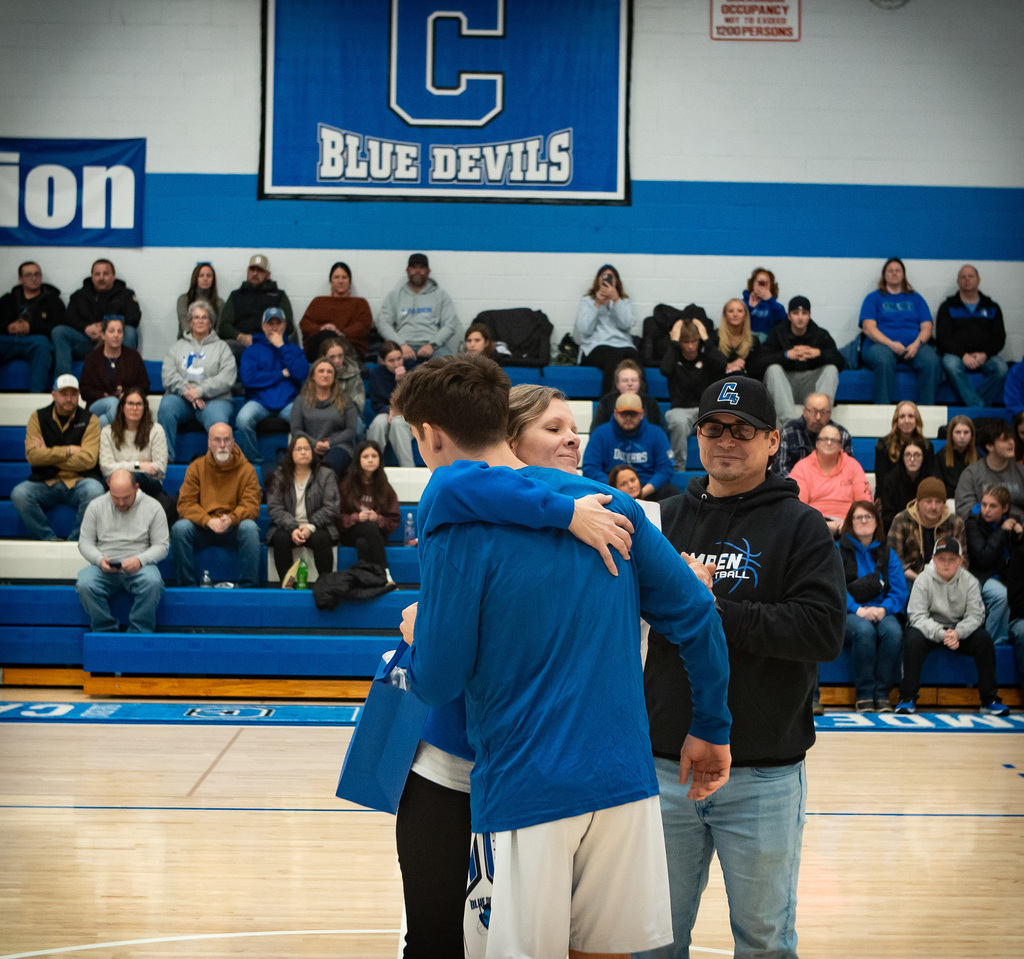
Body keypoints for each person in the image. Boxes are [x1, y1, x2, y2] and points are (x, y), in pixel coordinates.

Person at [392, 357, 731, 959]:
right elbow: (699, 614)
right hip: (622, 784)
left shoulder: (456, 518)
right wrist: (710, 727)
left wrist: (419, 644)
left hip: (528, 790)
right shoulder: (612, 507)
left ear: (431, 434)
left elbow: (440, 680)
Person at [640, 375, 845, 959]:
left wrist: (711, 610)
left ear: (773, 441)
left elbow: (822, 630)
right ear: (696, 435)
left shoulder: (801, 527)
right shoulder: (663, 521)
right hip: (662, 767)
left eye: (743, 430)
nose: (726, 441)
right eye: (713, 428)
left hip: (762, 774)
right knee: (652, 941)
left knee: (763, 941)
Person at [895, 537, 1008, 716]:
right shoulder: (923, 580)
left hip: (958, 631)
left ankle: (989, 699)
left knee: (984, 640)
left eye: (952, 559)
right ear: (933, 559)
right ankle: (907, 698)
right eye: (941, 559)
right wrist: (942, 633)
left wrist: (958, 632)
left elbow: (976, 615)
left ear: (960, 561)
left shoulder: (969, 581)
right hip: (931, 630)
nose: (946, 564)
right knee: (912, 638)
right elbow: (917, 616)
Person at [12, 374, 105, 541]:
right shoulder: (37, 417)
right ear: (53, 394)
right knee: (19, 494)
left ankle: (76, 541)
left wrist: (47, 454)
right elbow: (33, 457)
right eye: (64, 394)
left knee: (95, 491)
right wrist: (69, 450)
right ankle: (48, 539)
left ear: (79, 395)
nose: (69, 399)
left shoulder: (90, 420)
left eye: (73, 394)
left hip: (79, 480)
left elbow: (88, 460)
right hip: (46, 481)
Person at [75, 469, 169, 633]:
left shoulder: (153, 507)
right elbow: (84, 543)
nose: (120, 503)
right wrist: (99, 559)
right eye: (115, 497)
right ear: (108, 486)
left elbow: (162, 546)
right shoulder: (96, 505)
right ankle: (104, 629)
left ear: (136, 488)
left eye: (126, 498)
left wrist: (140, 560)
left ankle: (140, 631)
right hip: (104, 565)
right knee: (84, 583)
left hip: (140, 566)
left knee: (153, 582)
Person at [170, 423, 262, 587]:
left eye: (226, 440)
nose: (222, 445)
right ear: (209, 443)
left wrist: (232, 518)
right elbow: (185, 504)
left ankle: (249, 587)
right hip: (203, 527)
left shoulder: (247, 470)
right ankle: (186, 586)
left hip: (234, 527)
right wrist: (207, 520)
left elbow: (251, 505)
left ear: (233, 442)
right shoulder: (196, 468)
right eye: (217, 440)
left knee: (250, 528)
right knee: (180, 528)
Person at [838, 500, 908, 712]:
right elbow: (834, 588)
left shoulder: (888, 553)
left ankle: (882, 693)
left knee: (893, 631)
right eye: (858, 517)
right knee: (864, 631)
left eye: (869, 517)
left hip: (881, 610)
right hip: (850, 611)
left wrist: (884, 609)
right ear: (850, 522)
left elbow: (899, 591)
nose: (864, 521)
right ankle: (865, 694)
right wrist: (857, 609)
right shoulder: (838, 550)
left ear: (877, 522)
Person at [158, 300, 237, 462]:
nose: (200, 321)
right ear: (190, 322)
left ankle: (219, 465)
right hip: (182, 398)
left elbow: (227, 377)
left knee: (218, 422)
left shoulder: (222, 347)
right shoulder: (178, 346)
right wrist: (187, 391)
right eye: (196, 317)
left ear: (210, 322)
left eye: (204, 317)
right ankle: (165, 462)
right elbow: (168, 374)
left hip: (215, 399)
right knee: (166, 408)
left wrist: (200, 391)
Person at [858, 257, 940, 405]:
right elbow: (869, 328)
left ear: (903, 274)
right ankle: (883, 410)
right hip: (880, 346)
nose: (894, 273)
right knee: (884, 360)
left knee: (932, 361)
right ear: (884, 275)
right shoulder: (873, 298)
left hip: (914, 346)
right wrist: (891, 344)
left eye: (898, 270)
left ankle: (925, 412)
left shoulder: (916, 298)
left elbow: (927, 327)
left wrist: (916, 344)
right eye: (890, 271)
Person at [236, 307, 309, 465]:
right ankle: (253, 462)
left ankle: (294, 462)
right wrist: (281, 374)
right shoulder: (252, 350)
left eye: (278, 323)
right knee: (242, 420)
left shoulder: (294, 350)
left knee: (305, 419)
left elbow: (301, 373)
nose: (274, 327)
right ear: (263, 326)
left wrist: (282, 347)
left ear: (284, 326)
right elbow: (248, 379)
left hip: (288, 402)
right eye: (270, 323)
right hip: (259, 402)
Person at [265, 433, 340, 584]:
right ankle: (287, 585)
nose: (304, 452)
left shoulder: (326, 474)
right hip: (287, 526)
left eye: (307, 448)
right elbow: (274, 508)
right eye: (299, 449)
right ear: (291, 454)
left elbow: (331, 506)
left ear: (313, 453)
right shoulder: (279, 476)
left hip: (316, 525)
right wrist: (293, 527)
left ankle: (326, 585)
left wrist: (310, 526)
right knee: (280, 538)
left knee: (322, 538)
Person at [761, 295, 845, 427]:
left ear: (809, 315)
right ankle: (789, 426)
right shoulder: (778, 333)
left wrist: (819, 353)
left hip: (809, 386)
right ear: (789, 316)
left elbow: (840, 362)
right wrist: (786, 355)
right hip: (785, 386)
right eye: (795, 313)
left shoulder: (820, 334)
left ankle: (820, 418)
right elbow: (758, 363)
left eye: (804, 313)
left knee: (831, 369)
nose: (800, 317)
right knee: (773, 370)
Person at [581, 392, 678, 501]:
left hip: (648, 490)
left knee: (671, 492)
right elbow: (591, 469)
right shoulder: (600, 434)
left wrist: (642, 492)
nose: (628, 418)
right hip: (612, 491)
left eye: (633, 414)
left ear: (642, 414)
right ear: (615, 413)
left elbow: (665, 469)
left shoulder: (657, 434)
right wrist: (615, 488)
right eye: (623, 414)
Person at [935, 264, 1007, 407]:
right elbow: (943, 339)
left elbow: (999, 338)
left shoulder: (992, 307)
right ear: (958, 282)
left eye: (970, 276)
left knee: (1002, 368)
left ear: (978, 280)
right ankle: (979, 409)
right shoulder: (948, 307)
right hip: (956, 356)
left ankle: (976, 407)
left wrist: (984, 354)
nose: (967, 280)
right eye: (963, 277)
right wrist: (963, 355)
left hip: (985, 356)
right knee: (950, 364)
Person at [659, 317, 726, 467]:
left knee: (721, 420)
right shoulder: (674, 357)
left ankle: (717, 468)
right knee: (679, 422)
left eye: (694, 341)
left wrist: (707, 340)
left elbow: (722, 363)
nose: (690, 346)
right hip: (679, 411)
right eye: (685, 342)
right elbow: (665, 369)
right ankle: (678, 468)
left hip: (704, 411)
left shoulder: (706, 357)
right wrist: (674, 342)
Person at [55, 259, 141, 373]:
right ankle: (64, 383)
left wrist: (107, 327)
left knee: (130, 332)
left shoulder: (126, 294)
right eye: (97, 274)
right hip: (87, 342)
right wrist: (85, 328)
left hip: (114, 343)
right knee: (59, 331)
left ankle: (123, 380)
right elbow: (68, 318)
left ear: (113, 276)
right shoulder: (79, 295)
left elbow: (134, 318)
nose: (101, 278)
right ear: (92, 276)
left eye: (105, 274)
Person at [789, 423, 873, 537]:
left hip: (848, 527)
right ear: (817, 443)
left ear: (841, 446)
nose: (829, 443)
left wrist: (848, 524)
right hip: (813, 528)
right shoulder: (801, 468)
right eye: (824, 439)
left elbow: (865, 504)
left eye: (834, 440)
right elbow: (797, 508)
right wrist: (825, 526)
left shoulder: (853, 466)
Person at [965, 485, 1021, 647]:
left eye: (992, 506)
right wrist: (1002, 533)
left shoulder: (1011, 523)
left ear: (1005, 508)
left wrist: (1019, 539)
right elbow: (983, 558)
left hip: (1004, 577)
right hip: (980, 576)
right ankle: (992, 644)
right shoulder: (972, 523)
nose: (986, 510)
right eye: (984, 504)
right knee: (1001, 595)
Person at [376, 253, 460, 362]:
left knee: (449, 363)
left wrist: (432, 345)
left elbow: (450, 324)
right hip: (402, 345)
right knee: (384, 362)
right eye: (413, 267)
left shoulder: (441, 295)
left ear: (428, 271)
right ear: (407, 270)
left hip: (433, 347)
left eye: (422, 267)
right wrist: (400, 345)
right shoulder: (394, 296)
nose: (417, 271)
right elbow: (383, 323)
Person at [574, 263, 640, 395]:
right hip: (595, 346)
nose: (607, 280)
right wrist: (597, 304)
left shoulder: (623, 301)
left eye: (612, 278)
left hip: (623, 345)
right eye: (604, 277)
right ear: (598, 280)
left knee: (636, 357)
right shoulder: (587, 301)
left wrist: (616, 300)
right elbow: (584, 329)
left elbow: (626, 324)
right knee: (615, 357)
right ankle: (608, 403)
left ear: (616, 281)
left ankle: (640, 404)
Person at [888, 477, 967, 585]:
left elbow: (963, 561)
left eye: (938, 502)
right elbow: (894, 561)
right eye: (928, 501)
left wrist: (946, 579)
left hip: (947, 579)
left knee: (972, 584)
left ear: (944, 504)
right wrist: (921, 579)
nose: (933, 507)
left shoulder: (956, 523)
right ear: (918, 502)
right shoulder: (901, 521)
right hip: (910, 578)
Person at [336, 440, 400, 571]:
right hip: (350, 532)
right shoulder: (345, 485)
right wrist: (356, 518)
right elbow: (336, 517)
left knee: (363, 543)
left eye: (374, 456)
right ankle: (384, 572)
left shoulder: (385, 487)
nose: (370, 460)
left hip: (377, 533)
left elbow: (394, 519)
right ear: (358, 459)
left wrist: (377, 518)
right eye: (365, 456)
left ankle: (368, 580)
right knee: (367, 527)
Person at [289, 358, 359, 476]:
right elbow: (296, 430)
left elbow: (351, 430)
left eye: (329, 372)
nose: (325, 375)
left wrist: (330, 442)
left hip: (339, 446)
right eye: (321, 371)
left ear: (334, 376)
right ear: (313, 376)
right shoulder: (301, 401)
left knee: (327, 468)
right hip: (308, 446)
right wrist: (314, 443)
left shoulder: (345, 400)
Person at [0, 261, 63, 392]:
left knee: (43, 345)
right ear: (20, 279)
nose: (33, 278)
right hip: (8, 340)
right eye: (28, 275)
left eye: (37, 274)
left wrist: (30, 327)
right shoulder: (8, 299)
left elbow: (58, 327)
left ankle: (35, 397)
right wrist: (8, 327)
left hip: (34, 341)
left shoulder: (53, 300)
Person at [220, 254, 295, 359]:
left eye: (260, 270)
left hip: (270, 342)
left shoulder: (279, 295)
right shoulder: (235, 295)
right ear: (247, 272)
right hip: (241, 342)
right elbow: (224, 325)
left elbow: (288, 325)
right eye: (252, 269)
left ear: (267, 275)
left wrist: (261, 338)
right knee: (226, 348)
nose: (255, 273)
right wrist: (241, 337)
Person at [78, 317, 149, 427]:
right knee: (112, 402)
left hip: (125, 404)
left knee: (103, 421)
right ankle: (124, 436)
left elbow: (144, 386)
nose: (116, 335)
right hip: (96, 405)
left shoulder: (133, 357)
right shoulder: (92, 359)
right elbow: (84, 390)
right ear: (103, 335)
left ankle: (112, 443)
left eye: (119, 331)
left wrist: (126, 393)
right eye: (111, 331)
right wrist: (104, 395)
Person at [99, 390, 168, 498]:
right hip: (117, 483)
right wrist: (140, 465)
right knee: (120, 481)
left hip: (148, 484)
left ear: (144, 408)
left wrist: (121, 468)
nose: (134, 408)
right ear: (122, 407)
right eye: (130, 403)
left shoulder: (156, 430)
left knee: (131, 478)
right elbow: (106, 467)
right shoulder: (107, 432)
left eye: (139, 404)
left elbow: (159, 468)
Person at [300, 261, 373, 361]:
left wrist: (340, 332)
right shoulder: (318, 301)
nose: (340, 281)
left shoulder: (360, 303)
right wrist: (322, 328)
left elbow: (363, 326)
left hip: (348, 347)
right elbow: (305, 324)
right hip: (320, 347)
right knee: (326, 335)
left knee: (330, 336)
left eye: (344, 277)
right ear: (331, 281)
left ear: (349, 281)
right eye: (336, 277)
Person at [955, 421, 1024, 522]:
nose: (1011, 443)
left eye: (1012, 438)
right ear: (989, 446)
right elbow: (965, 510)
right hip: (985, 529)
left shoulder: (1021, 470)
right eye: (1005, 439)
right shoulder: (972, 473)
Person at [773, 393, 853, 478]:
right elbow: (780, 471)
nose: (818, 417)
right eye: (814, 411)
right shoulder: (788, 432)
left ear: (829, 413)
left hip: (832, 488)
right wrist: (804, 485)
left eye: (823, 412)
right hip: (795, 487)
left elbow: (848, 470)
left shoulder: (841, 435)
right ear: (804, 412)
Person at [366, 340, 415, 467]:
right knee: (378, 423)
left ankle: (408, 468)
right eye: (391, 360)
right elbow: (376, 403)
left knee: (398, 423)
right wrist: (390, 410)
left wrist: (402, 381)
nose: (397, 363)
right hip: (386, 411)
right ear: (383, 361)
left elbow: (415, 400)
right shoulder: (377, 374)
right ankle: (372, 467)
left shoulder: (412, 369)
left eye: (399, 358)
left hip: (409, 414)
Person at [591, 358, 667, 434]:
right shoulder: (606, 403)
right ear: (617, 384)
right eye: (625, 380)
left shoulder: (651, 404)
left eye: (634, 380)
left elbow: (660, 432)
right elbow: (595, 431)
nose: (630, 384)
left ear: (640, 383)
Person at [874, 401, 935, 494]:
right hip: (890, 496)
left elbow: (928, 479)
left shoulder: (927, 446)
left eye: (911, 416)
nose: (907, 421)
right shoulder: (883, 445)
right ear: (896, 420)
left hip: (918, 497)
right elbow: (881, 481)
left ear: (917, 420)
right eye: (902, 417)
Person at [880, 440, 928, 531]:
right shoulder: (890, 480)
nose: (912, 459)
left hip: (926, 527)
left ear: (923, 458)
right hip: (897, 528)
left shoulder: (930, 480)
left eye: (917, 455)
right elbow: (888, 516)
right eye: (908, 455)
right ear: (902, 458)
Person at [716, 297, 767, 380]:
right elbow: (709, 366)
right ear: (725, 315)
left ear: (745, 315)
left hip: (745, 383)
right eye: (731, 311)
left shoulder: (754, 340)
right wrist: (727, 366)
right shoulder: (715, 336)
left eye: (739, 311)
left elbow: (756, 371)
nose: (735, 314)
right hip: (719, 383)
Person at [317, 335, 366, 417]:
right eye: (332, 357)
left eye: (340, 356)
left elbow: (359, 404)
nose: (337, 360)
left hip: (349, 416)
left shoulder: (353, 372)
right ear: (323, 358)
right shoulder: (316, 374)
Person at [933, 414, 978, 499]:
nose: (962, 436)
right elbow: (938, 486)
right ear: (951, 435)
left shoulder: (978, 457)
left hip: (972, 500)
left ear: (972, 435)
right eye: (958, 432)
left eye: (966, 432)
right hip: (948, 500)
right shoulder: (940, 456)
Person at [176, 263, 224, 337]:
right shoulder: (183, 300)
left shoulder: (219, 303)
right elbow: (184, 326)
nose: (205, 279)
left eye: (209, 276)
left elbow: (218, 330)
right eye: (201, 276)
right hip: (187, 341)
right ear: (195, 278)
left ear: (213, 280)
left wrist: (206, 341)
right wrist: (196, 340)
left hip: (211, 342)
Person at [741, 266, 787, 337]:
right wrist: (750, 307)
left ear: (770, 286)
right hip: (746, 339)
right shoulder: (743, 303)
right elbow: (739, 323)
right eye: (760, 282)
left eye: (765, 283)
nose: (762, 286)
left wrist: (770, 300)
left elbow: (783, 325)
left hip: (768, 341)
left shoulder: (777, 307)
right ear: (752, 284)